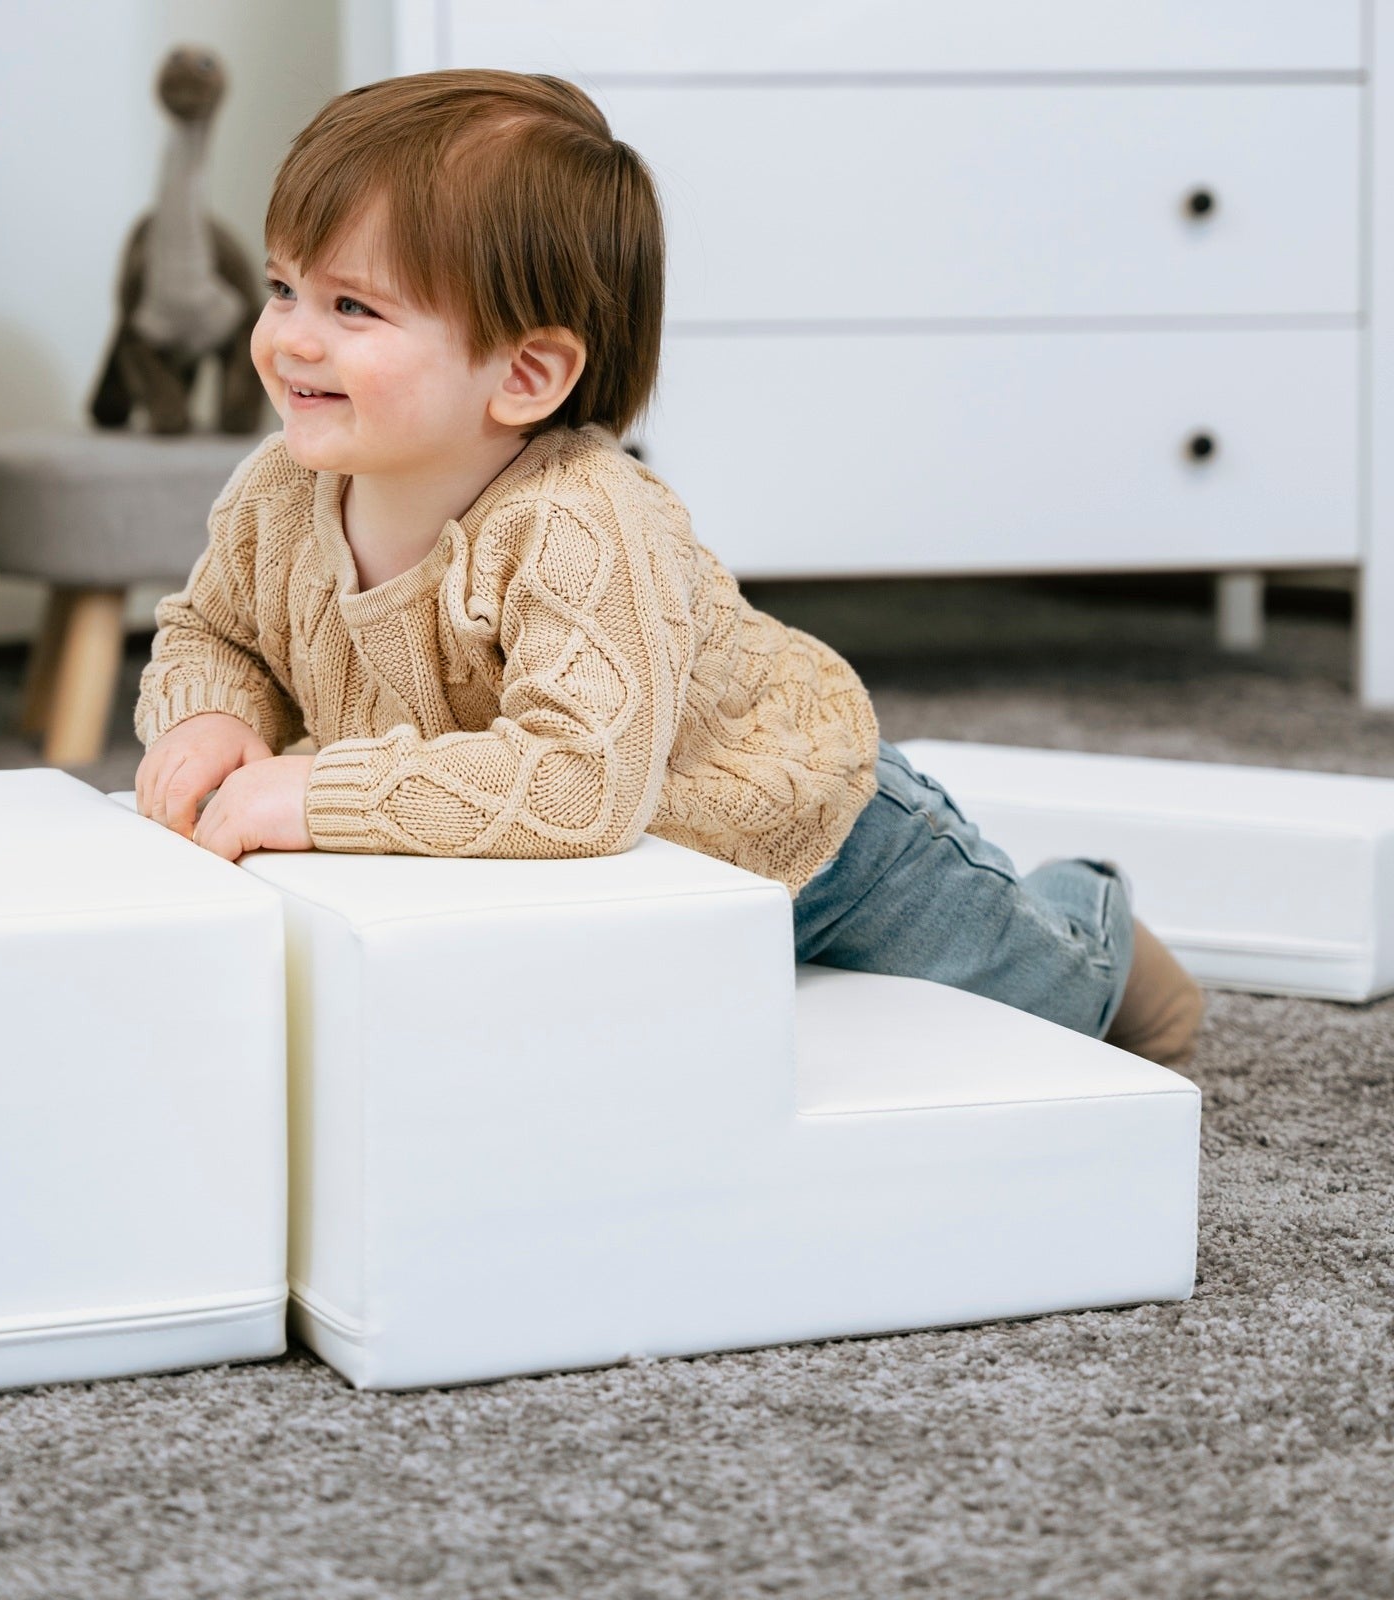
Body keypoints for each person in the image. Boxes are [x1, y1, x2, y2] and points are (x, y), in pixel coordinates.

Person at [133, 67, 1204, 1068]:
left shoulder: (580, 520)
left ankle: (1093, 920)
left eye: (351, 307)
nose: (287, 339)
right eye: (282, 288)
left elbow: (580, 782)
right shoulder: (279, 490)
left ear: (526, 373)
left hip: (791, 832)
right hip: (598, 872)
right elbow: (212, 630)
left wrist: (325, 789)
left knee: (1040, 1001)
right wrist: (209, 715)